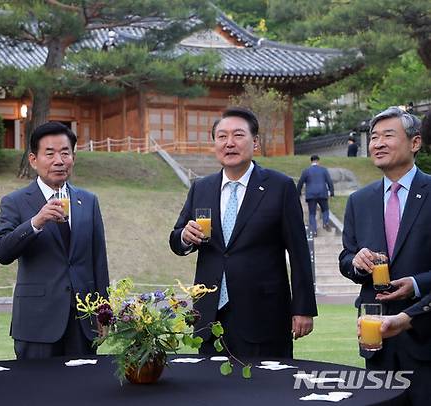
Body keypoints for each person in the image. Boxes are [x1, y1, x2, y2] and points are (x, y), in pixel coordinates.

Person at [169, 107, 317, 358]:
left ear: (255, 142)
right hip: (209, 315)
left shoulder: (279, 187)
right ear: (214, 143)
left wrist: (303, 308)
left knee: (264, 393)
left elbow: (299, 251)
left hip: (263, 315)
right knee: (208, 393)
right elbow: (176, 238)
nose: (229, 143)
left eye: (238, 135)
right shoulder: (201, 188)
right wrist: (185, 236)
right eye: (221, 136)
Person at [0, 121, 110, 360]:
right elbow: (0, 251)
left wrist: (104, 311)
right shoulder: (15, 201)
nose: (59, 160)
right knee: (36, 394)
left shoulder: (88, 200)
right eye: (50, 153)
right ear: (33, 160)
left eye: (65, 153)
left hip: (82, 321)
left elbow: (98, 259)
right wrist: (36, 222)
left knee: (83, 392)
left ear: (73, 158)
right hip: (37, 322)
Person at [339, 106, 431, 405]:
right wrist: (356, 262)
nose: (377, 143)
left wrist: (416, 284)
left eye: (388, 136)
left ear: (415, 143)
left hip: (425, 333)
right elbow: (346, 258)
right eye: (373, 136)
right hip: (375, 335)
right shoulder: (359, 201)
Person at [296, 155, 334, 236]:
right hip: (322, 193)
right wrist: (331, 192)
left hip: (311, 194)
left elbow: (300, 183)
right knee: (325, 209)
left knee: (312, 213)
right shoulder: (323, 170)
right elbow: (329, 181)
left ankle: (314, 230)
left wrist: (298, 193)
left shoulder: (306, 171)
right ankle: (325, 222)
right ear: (318, 161)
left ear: (311, 161)